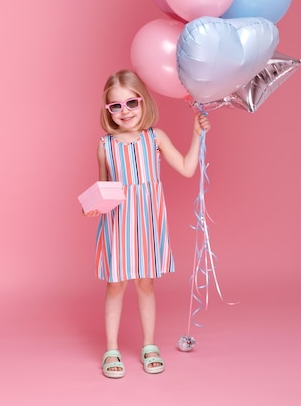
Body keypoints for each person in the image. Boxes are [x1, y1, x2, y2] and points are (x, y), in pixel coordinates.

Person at [84, 69, 210, 379]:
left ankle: (149, 345)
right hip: (117, 224)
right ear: (107, 110)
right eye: (116, 106)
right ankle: (111, 349)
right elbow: (104, 188)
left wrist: (197, 134)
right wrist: (94, 208)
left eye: (131, 103)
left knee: (145, 283)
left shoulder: (155, 138)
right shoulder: (105, 145)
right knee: (116, 285)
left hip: (147, 224)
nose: (124, 111)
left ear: (144, 102)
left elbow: (186, 168)